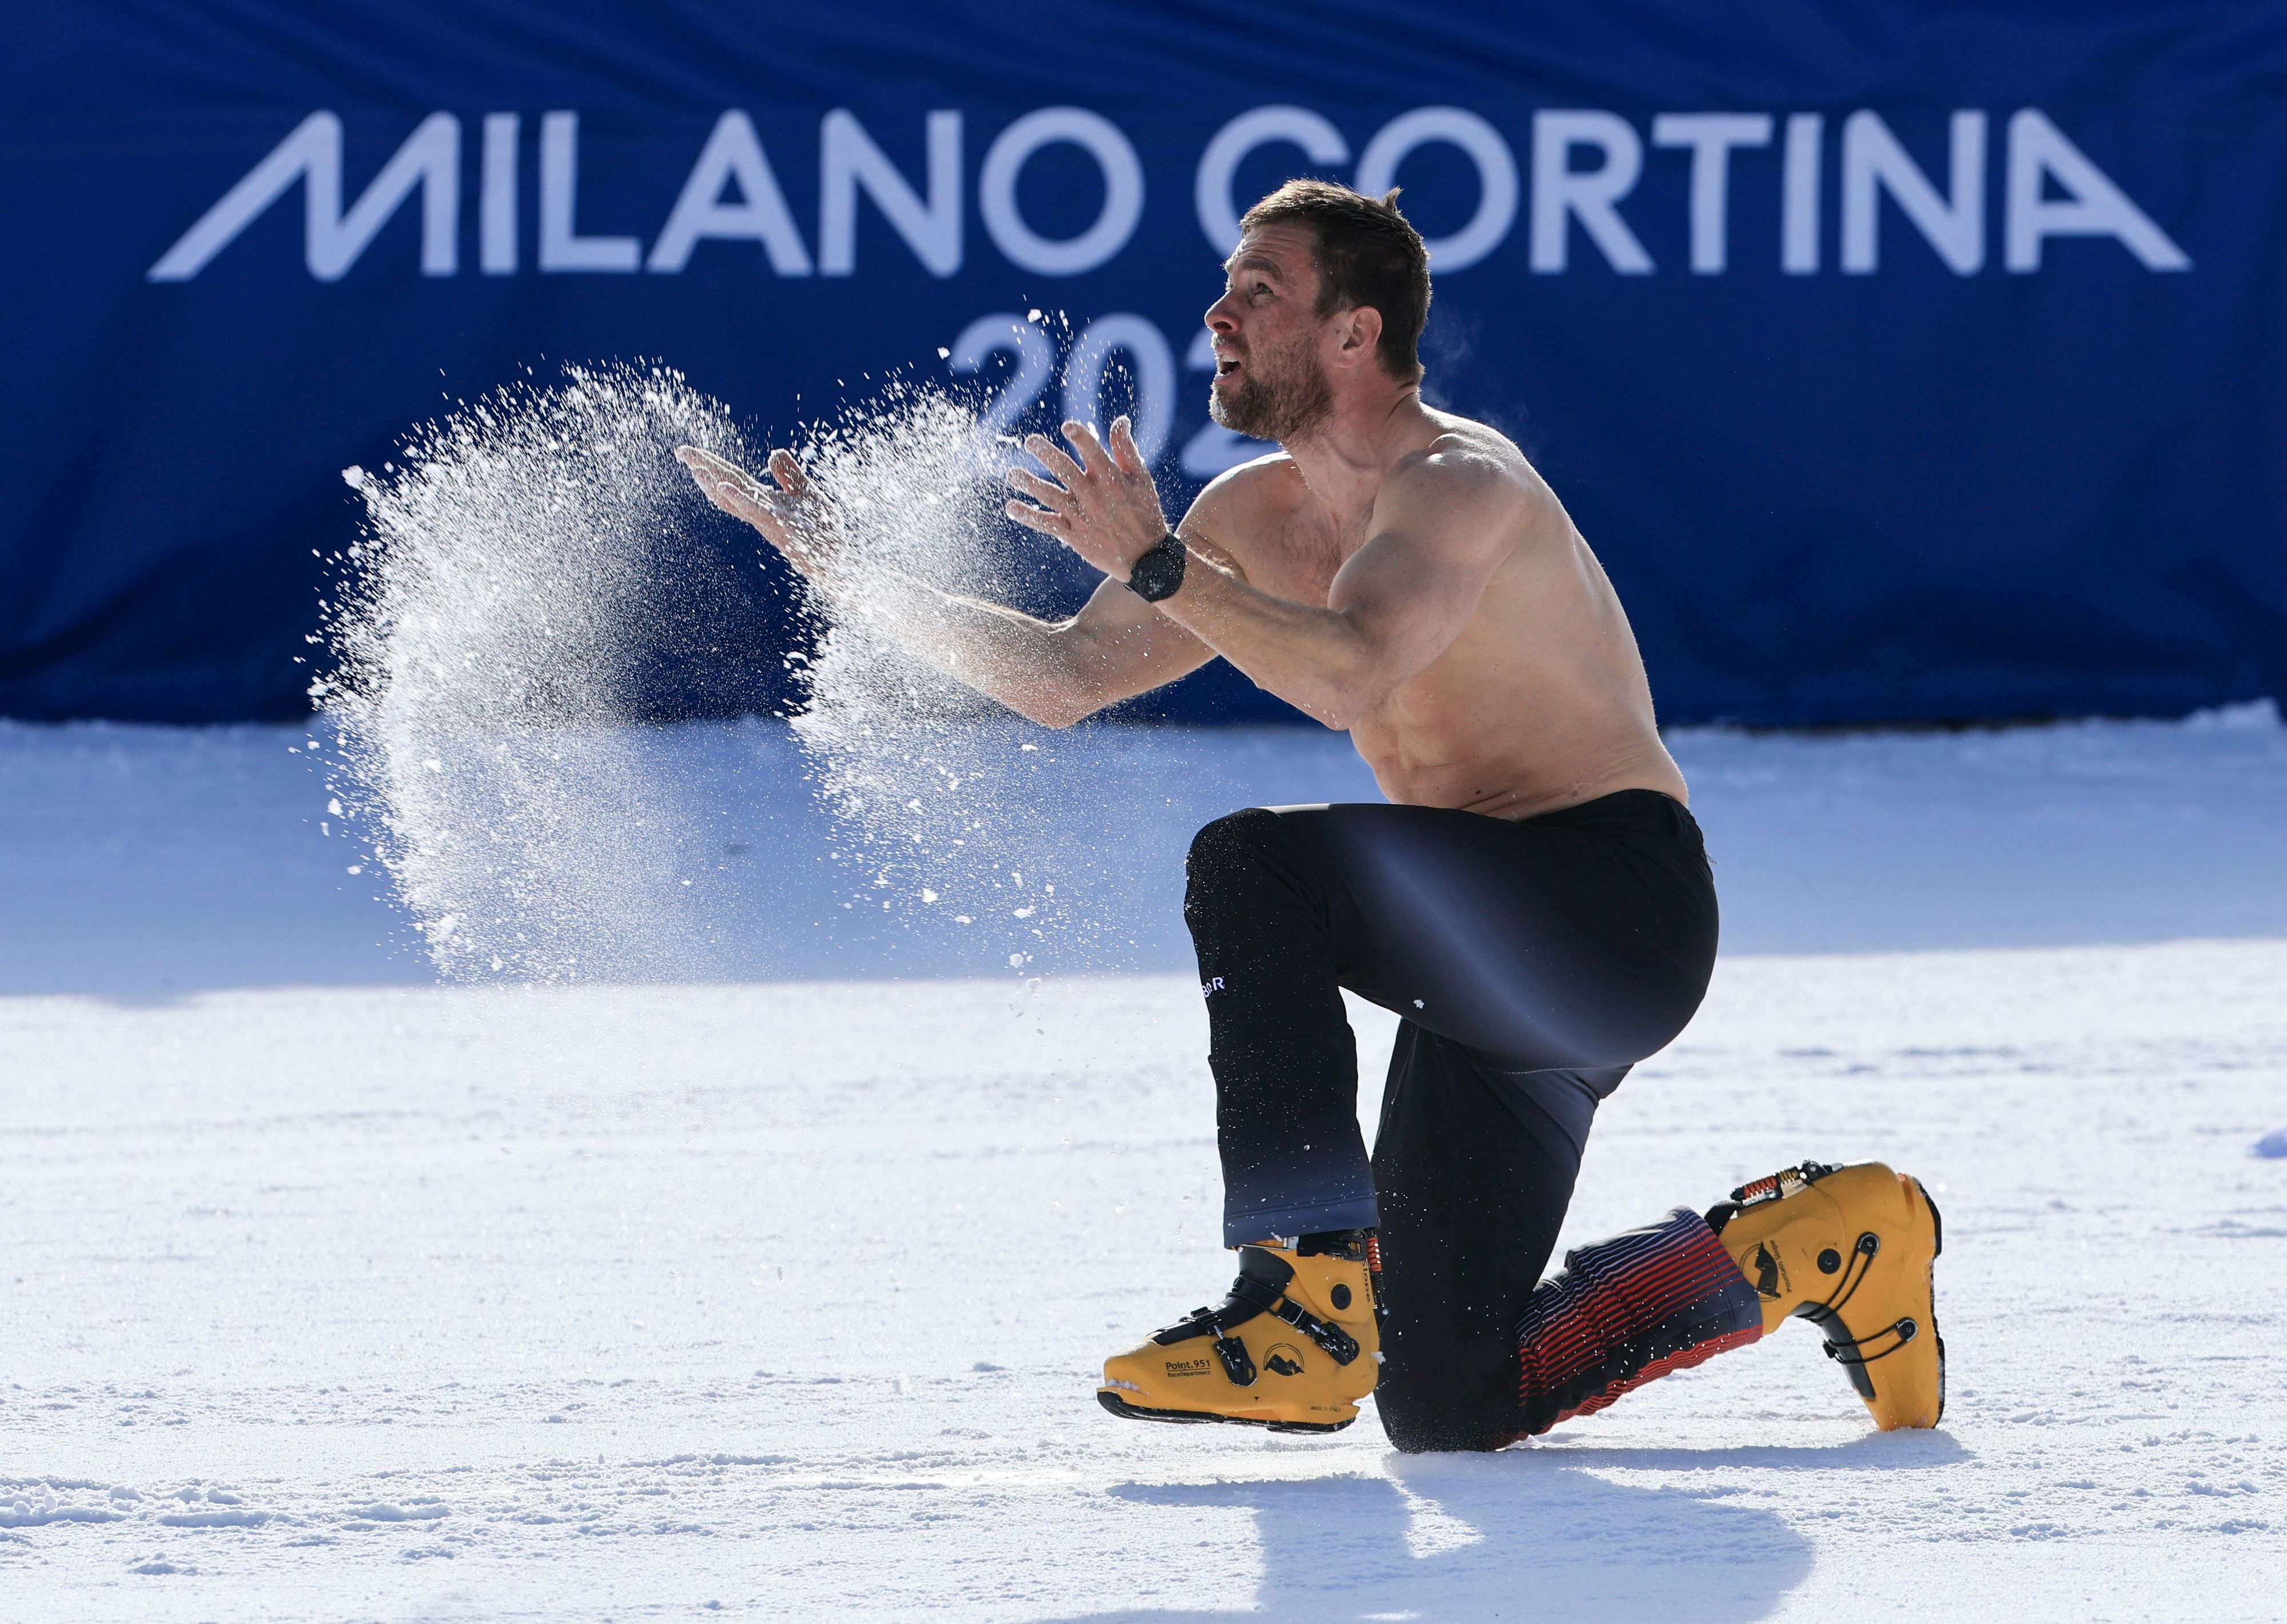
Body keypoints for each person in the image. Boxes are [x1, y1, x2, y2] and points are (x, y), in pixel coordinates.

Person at [677, 180, 1943, 1452]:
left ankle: (1301, 1296)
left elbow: (1352, 668)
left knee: (1255, 863)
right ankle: (1818, 1241)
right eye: (1228, 287)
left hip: (1610, 910)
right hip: (1491, 961)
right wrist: (841, 567)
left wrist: (1160, 566)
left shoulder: (1458, 482)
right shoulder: (1248, 517)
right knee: (1451, 1401)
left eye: (1258, 290)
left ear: (1353, 333)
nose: (1217, 311)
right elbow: (1060, 681)